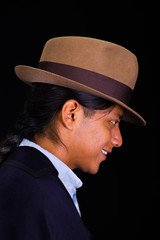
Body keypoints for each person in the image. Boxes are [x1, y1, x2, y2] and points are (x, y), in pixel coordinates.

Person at [0, 36, 146, 239]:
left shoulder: (35, 183)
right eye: (113, 122)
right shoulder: (30, 193)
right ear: (72, 114)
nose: (118, 140)